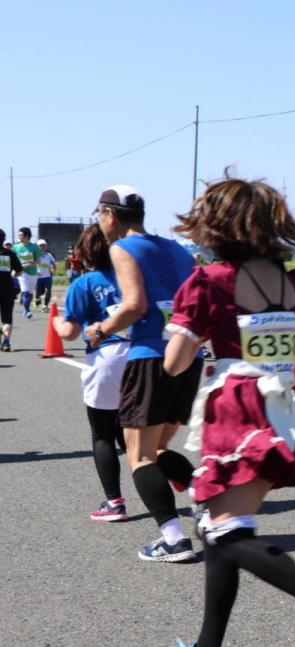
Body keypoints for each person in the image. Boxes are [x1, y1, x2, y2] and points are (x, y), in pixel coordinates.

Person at [156, 174, 295, 647]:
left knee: (224, 533)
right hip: (282, 405)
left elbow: (175, 363)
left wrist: (197, 338)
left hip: (235, 407)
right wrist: (287, 350)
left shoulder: (206, 282)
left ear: (217, 227)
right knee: (218, 530)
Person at [83, 185, 203, 563]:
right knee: (160, 447)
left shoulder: (123, 248)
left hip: (149, 356)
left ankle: (173, 539)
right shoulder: (177, 249)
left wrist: (100, 330)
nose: (99, 222)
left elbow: (134, 305)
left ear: (110, 215)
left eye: (98, 214)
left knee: (140, 456)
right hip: (187, 356)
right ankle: (204, 491)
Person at [53, 224, 132, 521]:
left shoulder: (84, 284)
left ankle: (114, 503)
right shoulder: (136, 278)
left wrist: (57, 325)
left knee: (102, 434)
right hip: (141, 358)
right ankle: (166, 489)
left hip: (106, 359)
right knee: (136, 436)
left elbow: (70, 333)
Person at [13, 227, 41, 319]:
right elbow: (12, 260)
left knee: (30, 293)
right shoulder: (16, 247)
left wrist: (29, 264)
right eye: (19, 234)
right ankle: (27, 310)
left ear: (27, 236)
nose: (19, 236)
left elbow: (38, 261)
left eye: (21, 235)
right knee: (25, 291)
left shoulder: (34, 247)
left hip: (33, 272)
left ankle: (26, 308)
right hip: (22, 273)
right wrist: (16, 268)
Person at [0, 231, 18, 351]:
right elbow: (19, 270)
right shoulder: (10, 253)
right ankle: (6, 341)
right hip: (7, 288)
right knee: (7, 318)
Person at [35, 239, 55, 311]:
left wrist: (53, 269)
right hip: (37, 277)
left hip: (47, 276)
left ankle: (45, 305)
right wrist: (35, 271)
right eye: (40, 245)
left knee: (48, 291)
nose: (42, 247)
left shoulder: (49, 255)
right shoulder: (34, 255)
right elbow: (31, 264)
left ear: (46, 246)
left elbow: (53, 264)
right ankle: (37, 301)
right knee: (38, 292)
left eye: (44, 245)